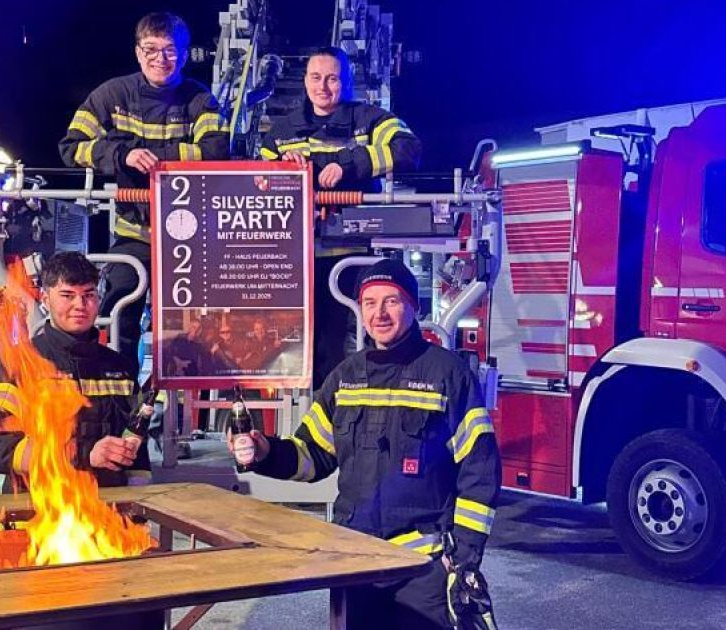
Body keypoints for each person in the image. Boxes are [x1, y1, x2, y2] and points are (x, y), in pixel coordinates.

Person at [232, 259, 499, 629]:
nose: (379, 313)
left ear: (413, 306)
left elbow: (480, 471)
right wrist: (266, 453)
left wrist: (463, 560)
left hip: (423, 567)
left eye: (392, 301)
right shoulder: (346, 377)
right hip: (356, 561)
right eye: (370, 303)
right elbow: (313, 455)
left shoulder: (448, 374)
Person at [59, 12, 229, 370]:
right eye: (151, 49)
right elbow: (71, 147)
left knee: (198, 327)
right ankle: (121, 392)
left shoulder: (200, 99)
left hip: (190, 240)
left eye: (170, 50)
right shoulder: (111, 95)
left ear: (185, 55)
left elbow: (215, 150)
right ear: (138, 52)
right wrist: (121, 155)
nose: (160, 59)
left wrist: (155, 159)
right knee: (117, 315)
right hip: (133, 235)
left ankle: (187, 400)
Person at [258, 46, 422, 389]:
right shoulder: (281, 132)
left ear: (346, 81)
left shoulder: (369, 120)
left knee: (362, 337)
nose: (323, 87)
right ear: (305, 81)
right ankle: (323, 410)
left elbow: (408, 149)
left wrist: (347, 164)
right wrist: (288, 174)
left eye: (332, 78)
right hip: (299, 259)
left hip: (355, 255)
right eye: (316, 78)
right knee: (314, 345)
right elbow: (261, 184)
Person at [0, 252, 149, 493]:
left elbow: (136, 448)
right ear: (45, 299)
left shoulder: (120, 368)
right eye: (67, 295)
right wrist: (85, 455)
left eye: (88, 295)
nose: (80, 305)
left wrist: (139, 497)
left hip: (107, 508)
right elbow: (3, 448)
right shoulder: (16, 365)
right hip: (39, 507)